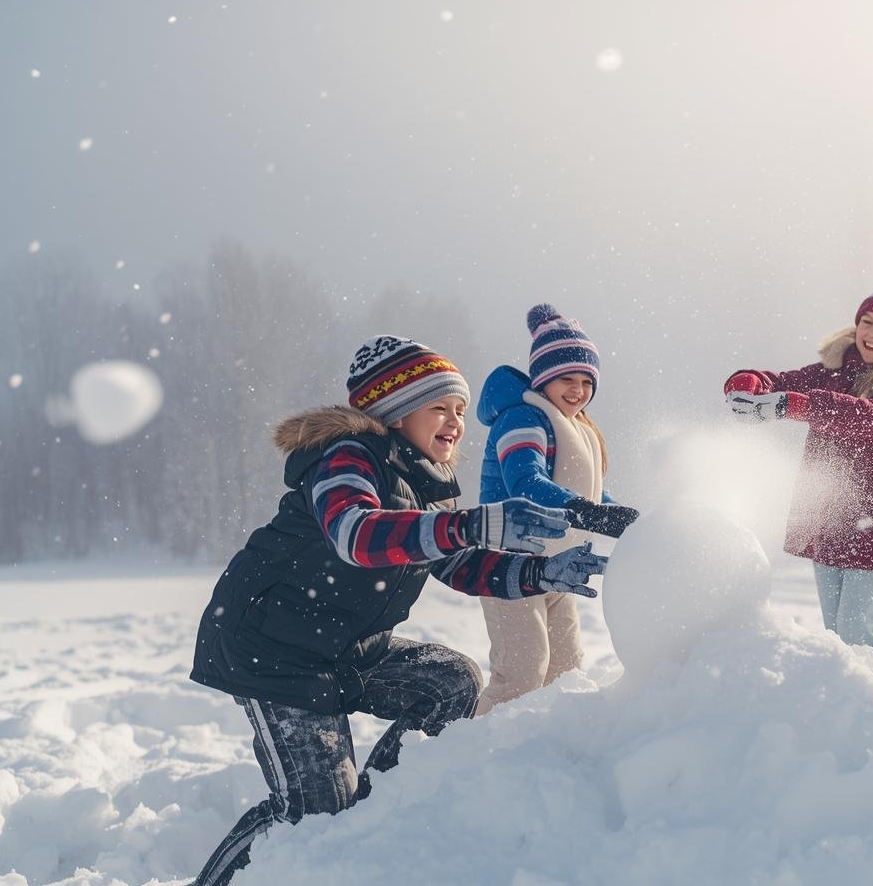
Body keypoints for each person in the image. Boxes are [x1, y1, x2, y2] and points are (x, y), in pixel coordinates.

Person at [189, 336, 606, 885]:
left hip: (346, 646)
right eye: (439, 407)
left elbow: (459, 564)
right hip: (275, 652)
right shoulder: (347, 458)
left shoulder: (430, 485)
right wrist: (471, 523)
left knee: (450, 681)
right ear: (393, 411)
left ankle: (377, 810)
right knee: (311, 812)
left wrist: (536, 574)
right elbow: (356, 533)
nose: (455, 421)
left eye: (460, 410)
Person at [724, 263, 873, 670]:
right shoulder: (837, 370)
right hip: (827, 513)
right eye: (867, 321)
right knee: (842, 631)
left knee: (856, 633)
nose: (872, 333)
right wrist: (747, 384)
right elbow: (782, 381)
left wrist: (798, 406)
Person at [474, 304, 639, 712]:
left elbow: (592, 495)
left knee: (565, 670)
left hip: (557, 565)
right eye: (566, 378)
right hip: (508, 563)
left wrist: (632, 520)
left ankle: (541, 754)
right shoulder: (522, 419)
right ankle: (476, 751)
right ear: (543, 377)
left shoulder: (577, 426)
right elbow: (526, 483)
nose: (577, 389)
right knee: (524, 671)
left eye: (587, 381)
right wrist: (589, 513)